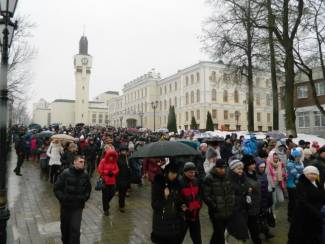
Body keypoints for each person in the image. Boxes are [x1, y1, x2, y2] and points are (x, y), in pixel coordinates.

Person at [53, 155, 91, 244]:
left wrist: (84, 198)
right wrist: (62, 198)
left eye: (83, 162)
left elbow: (88, 190)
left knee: (75, 230)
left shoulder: (85, 175)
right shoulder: (65, 173)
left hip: (78, 207)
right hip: (66, 206)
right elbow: (57, 188)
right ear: (74, 162)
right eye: (80, 161)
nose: (82, 164)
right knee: (65, 229)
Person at [288, 166, 325, 244]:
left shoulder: (317, 183)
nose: (313, 176)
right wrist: (316, 211)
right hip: (304, 214)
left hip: (315, 214)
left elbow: (322, 195)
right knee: (303, 236)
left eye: (315, 174)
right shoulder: (301, 184)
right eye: (311, 174)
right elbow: (303, 201)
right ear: (306, 174)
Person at [203, 159, 235, 244]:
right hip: (216, 213)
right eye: (220, 168)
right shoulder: (209, 178)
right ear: (216, 167)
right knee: (220, 234)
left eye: (224, 168)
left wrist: (231, 203)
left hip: (227, 210)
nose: (223, 170)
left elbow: (231, 191)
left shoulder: (227, 176)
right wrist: (214, 206)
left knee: (218, 233)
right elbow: (206, 196)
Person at [151, 163, 183, 244]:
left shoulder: (177, 183)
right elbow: (154, 205)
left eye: (176, 173)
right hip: (161, 223)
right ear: (167, 172)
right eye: (172, 173)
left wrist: (181, 205)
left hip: (174, 224)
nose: (174, 175)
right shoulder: (159, 183)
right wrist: (165, 197)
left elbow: (178, 201)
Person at [227, 159, 250, 243]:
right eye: (238, 168)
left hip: (243, 206)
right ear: (233, 169)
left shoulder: (243, 177)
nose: (241, 170)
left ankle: (227, 235)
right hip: (234, 208)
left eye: (242, 168)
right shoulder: (229, 179)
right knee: (240, 229)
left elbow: (246, 187)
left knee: (240, 228)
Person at [179, 162, 202, 244]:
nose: (193, 174)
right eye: (190, 172)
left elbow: (199, 195)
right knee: (179, 238)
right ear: (185, 172)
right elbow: (179, 199)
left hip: (195, 215)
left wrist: (199, 204)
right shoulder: (180, 183)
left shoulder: (196, 181)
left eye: (194, 172)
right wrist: (185, 208)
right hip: (184, 217)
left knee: (197, 238)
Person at [243, 155, 262, 244]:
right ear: (247, 166)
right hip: (249, 205)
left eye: (254, 163)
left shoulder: (255, 174)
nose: (254, 165)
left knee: (254, 224)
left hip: (257, 203)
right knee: (253, 226)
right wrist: (248, 191)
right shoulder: (244, 176)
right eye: (251, 164)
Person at [97, 148, 119, 216]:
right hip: (105, 181)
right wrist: (106, 172)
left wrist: (113, 173)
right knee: (105, 196)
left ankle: (106, 203)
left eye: (113, 156)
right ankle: (106, 209)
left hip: (112, 181)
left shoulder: (114, 162)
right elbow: (99, 169)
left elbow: (117, 169)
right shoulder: (103, 161)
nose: (111, 158)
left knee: (112, 193)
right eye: (110, 156)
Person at [286, 149, 304, 222]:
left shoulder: (298, 162)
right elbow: (296, 174)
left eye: (300, 156)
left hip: (297, 185)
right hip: (291, 185)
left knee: (296, 201)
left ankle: (295, 215)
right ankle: (290, 216)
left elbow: (302, 170)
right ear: (294, 156)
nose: (299, 158)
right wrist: (306, 177)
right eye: (298, 156)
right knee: (292, 202)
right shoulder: (290, 164)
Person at [116, 145, 131, 212]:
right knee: (121, 193)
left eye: (125, 151)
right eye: (123, 151)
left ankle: (121, 204)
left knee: (123, 193)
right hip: (120, 178)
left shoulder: (128, 159)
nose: (124, 152)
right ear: (120, 152)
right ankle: (121, 206)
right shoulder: (118, 159)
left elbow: (130, 168)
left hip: (126, 178)